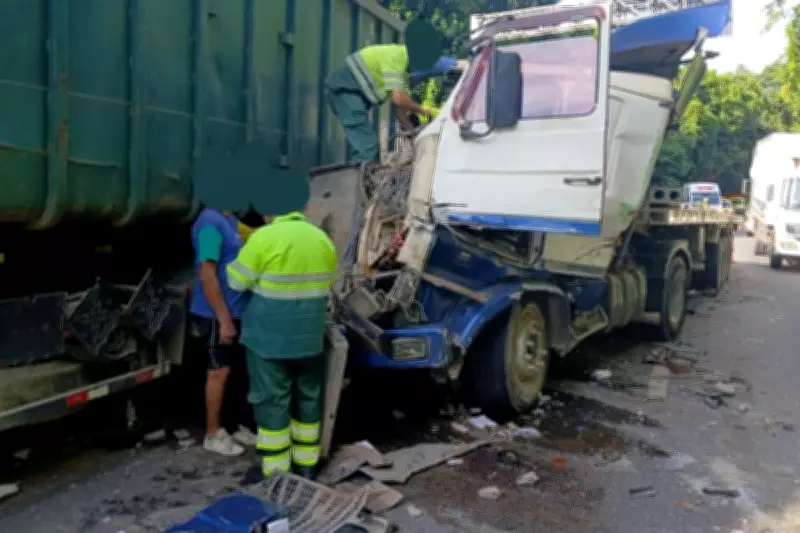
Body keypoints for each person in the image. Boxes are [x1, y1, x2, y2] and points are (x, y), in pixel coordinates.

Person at [227, 209, 336, 479]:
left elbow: (236, 282)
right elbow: (329, 282)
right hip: (310, 338)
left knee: (273, 403)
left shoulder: (264, 238)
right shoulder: (321, 239)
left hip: (269, 341)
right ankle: (306, 467)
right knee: (309, 402)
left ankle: (277, 474)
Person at [324, 20, 442, 163]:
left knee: (366, 144)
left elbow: (400, 110)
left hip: (350, 93)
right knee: (367, 148)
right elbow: (399, 99)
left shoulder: (404, 73)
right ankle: (359, 183)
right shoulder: (397, 57)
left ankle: (361, 179)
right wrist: (424, 111)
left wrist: (413, 135)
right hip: (344, 90)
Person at [190, 208, 257, 457]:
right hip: (217, 313)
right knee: (219, 371)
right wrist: (224, 319)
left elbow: (252, 235)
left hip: (236, 311)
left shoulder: (229, 219)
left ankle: (234, 426)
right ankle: (213, 433)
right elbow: (207, 275)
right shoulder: (209, 224)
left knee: (237, 371)